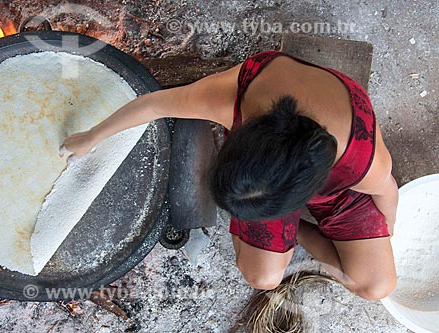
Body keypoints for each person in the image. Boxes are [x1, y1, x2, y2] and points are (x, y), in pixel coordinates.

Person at [61, 50, 398, 301]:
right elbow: (155, 105)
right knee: (263, 277)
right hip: (280, 172)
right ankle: (292, 233)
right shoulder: (231, 99)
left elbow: (387, 190)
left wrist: (388, 229)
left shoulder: (363, 161)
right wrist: (91, 137)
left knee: (375, 286)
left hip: (330, 181)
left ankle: (295, 231)